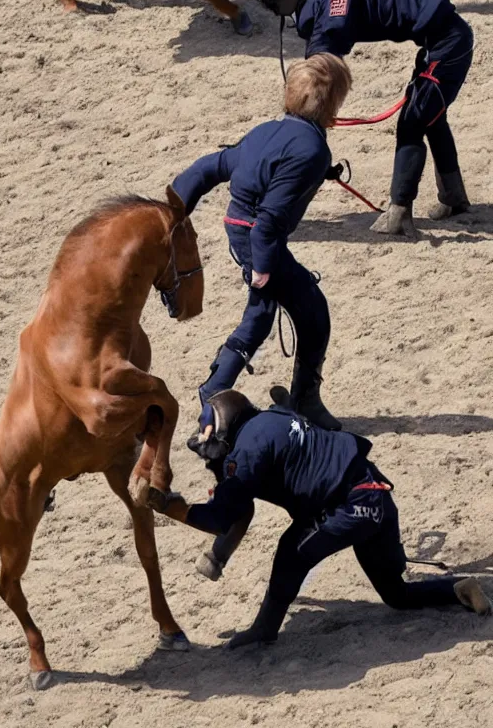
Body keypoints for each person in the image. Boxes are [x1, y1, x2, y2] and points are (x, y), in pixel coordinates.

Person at [159, 389, 491, 648]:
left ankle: (264, 630)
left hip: (349, 506)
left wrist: (170, 507)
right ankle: (458, 589)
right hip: (376, 498)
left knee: (293, 548)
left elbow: (221, 518)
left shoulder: (244, 454)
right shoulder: (275, 417)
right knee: (396, 595)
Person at [251, 0, 474, 235]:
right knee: (431, 117)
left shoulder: (328, 25)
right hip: (442, 36)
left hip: (447, 46)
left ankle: (399, 212)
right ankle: (454, 197)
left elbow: (312, 92)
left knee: (413, 123)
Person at [172, 53, 352, 429]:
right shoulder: (312, 149)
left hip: (240, 228)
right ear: (332, 103)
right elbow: (269, 219)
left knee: (266, 312)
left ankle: (222, 388)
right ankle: (294, 399)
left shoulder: (266, 131)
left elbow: (212, 167)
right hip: (258, 237)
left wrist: (174, 209)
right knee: (308, 312)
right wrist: (263, 269)